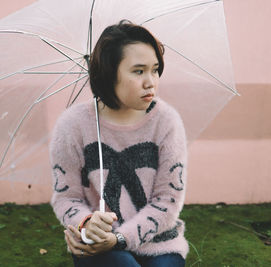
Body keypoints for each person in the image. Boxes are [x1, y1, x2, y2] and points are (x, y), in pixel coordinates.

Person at [49, 20, 188, 267]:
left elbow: (168, 199)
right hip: (98, 244)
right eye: (138, 71)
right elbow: (66, 198)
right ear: (109, 72)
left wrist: (121, 238)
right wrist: (86, 224)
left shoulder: (167, 123)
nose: (151, 82)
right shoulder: (72, 126)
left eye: (155, 69)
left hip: (159, 242)